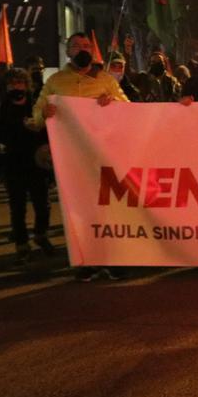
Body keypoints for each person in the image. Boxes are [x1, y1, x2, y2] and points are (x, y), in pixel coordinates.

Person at [30, 32, 129, 281]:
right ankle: (87, 260)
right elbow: (35, 117)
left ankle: (112, 259)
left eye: (86, 45)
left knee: (109, 208)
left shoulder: (106, 80)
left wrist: (113, 102)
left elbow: (128, 108)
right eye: (76, 46)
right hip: (72, 157)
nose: (81, 49)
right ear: (68, 52)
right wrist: (46, 113)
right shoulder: (55, 81)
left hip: (103, 154)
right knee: (80, 210)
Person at [0, 67, 53, 263]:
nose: (16, 86)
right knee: (17, 208)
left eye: (20, 82)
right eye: (12, 84)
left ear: (27, 85)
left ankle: (41, 235)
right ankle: (21, 244)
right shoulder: (1, 108)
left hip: (37, 163)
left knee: (43, 205)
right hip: (13, 164)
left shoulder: (36, 104)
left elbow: (47, 130)